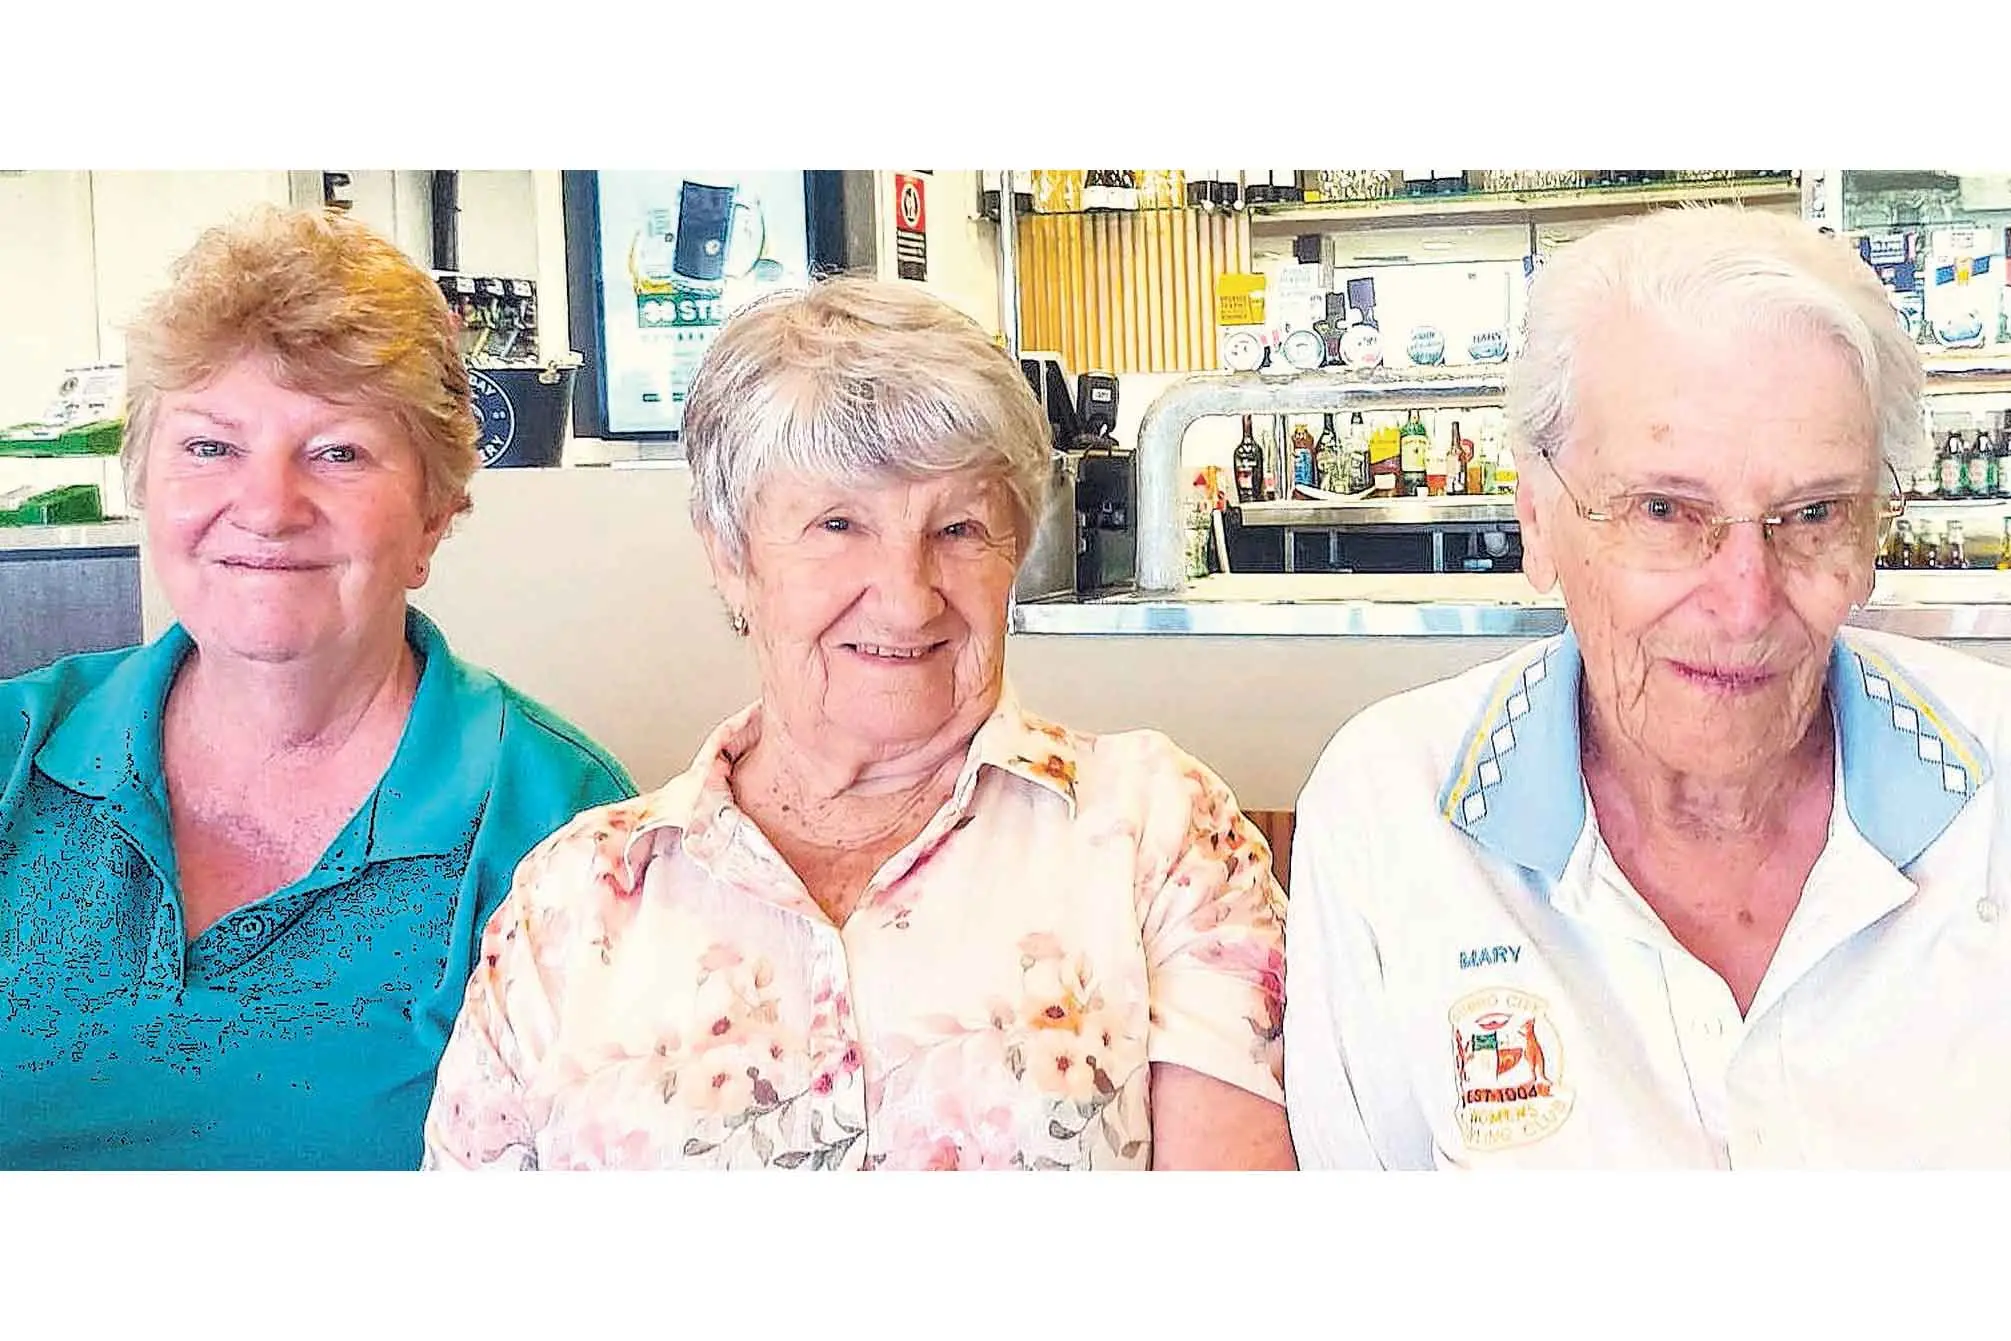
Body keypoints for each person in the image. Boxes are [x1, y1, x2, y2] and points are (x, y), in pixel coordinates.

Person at [422, 276, 1291, 1170]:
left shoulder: (1154, 832)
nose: (908, 600)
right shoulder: (571, 897)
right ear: (729, 555)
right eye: (838, 524)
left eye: (957, 529)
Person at [1284, 204, 2011, 1169]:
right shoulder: (1395, 811)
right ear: (1537, 521)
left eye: (1811, 514)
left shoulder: (1991, 794)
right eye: (1663, 511)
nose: (1745, 600)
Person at [0, 206, 636, 1169]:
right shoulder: (15, 749)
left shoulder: (562, 827)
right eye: (211, 447)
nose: (265, 508)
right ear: (143, 484)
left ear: (434, 516)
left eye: (337, 452)